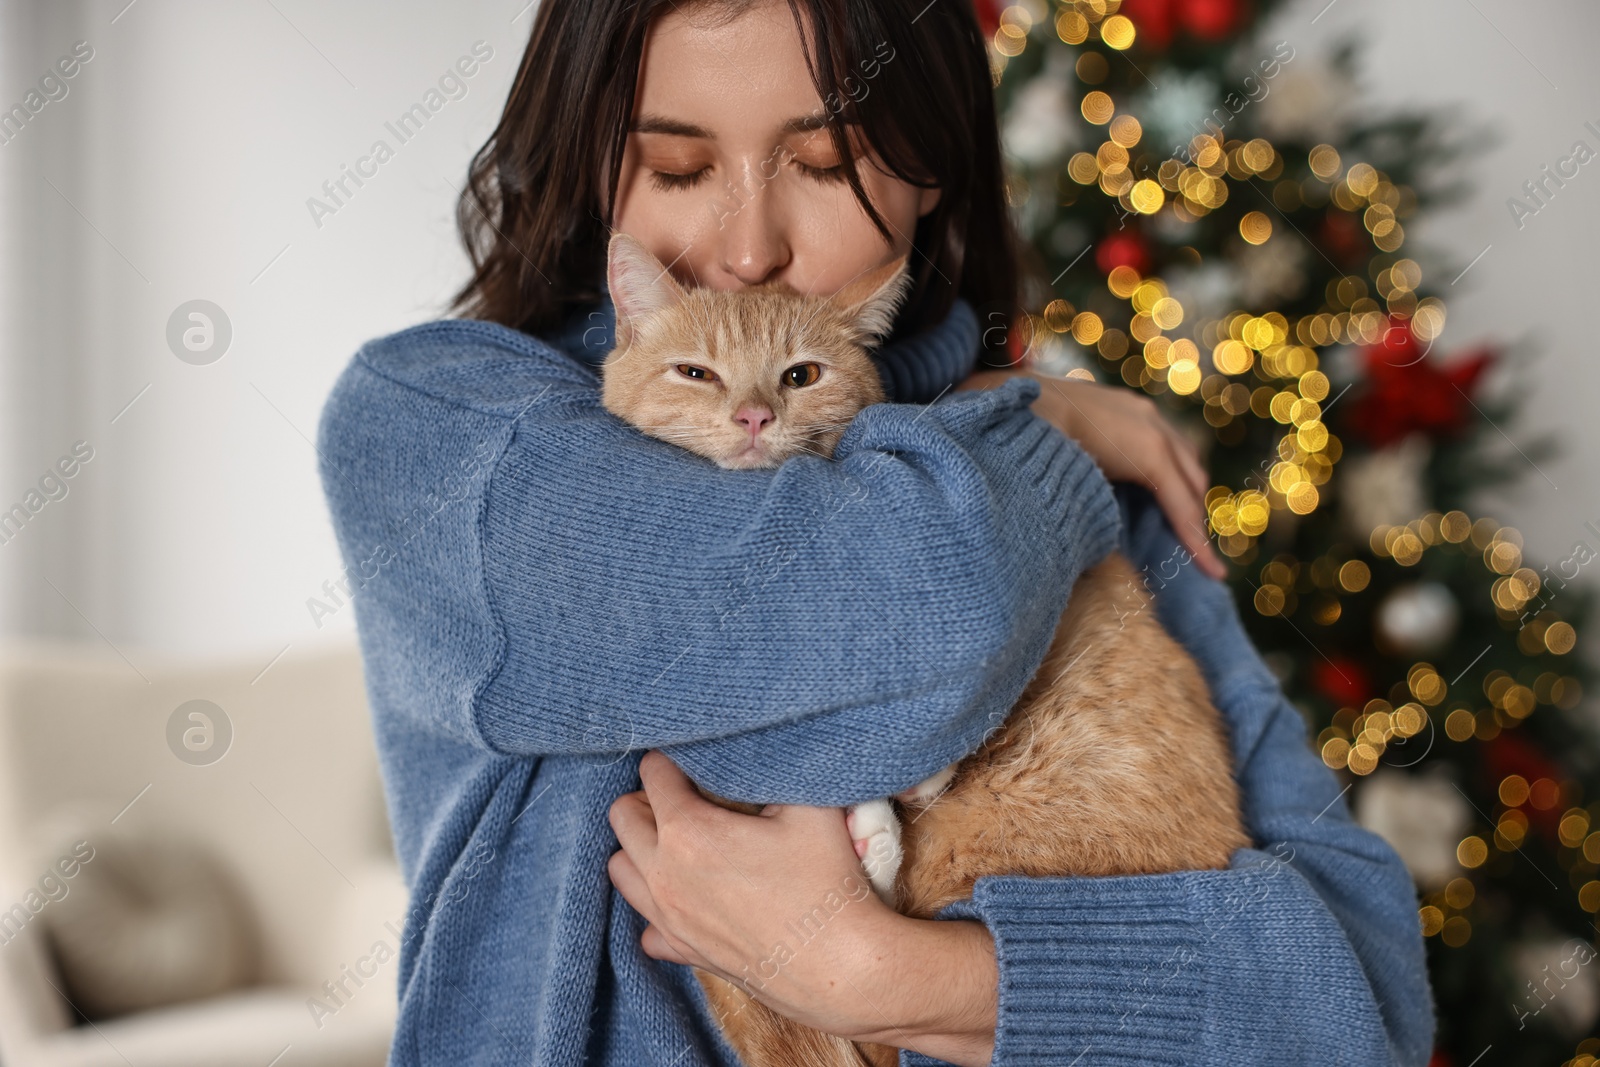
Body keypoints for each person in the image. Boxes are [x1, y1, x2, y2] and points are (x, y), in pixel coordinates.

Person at [315, 0, 1436, 1064]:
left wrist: (904, 975)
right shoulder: (438, 424)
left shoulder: (1105, 485)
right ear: (590, 162)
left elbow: (1367, 1003)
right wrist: (1037, 424)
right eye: (675, 166)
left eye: (821, 164)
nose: (748, 247)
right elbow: (934, 609)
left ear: (928, 165)